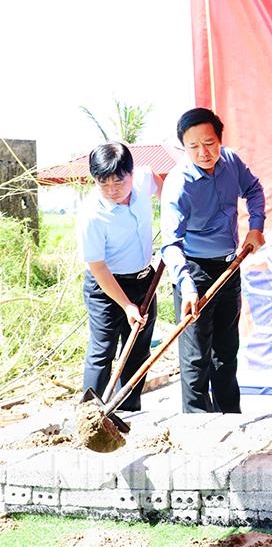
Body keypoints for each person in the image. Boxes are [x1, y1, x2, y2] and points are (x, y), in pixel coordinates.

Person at [162, 108, 266, 413]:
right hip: (193, 271)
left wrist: (256, 227)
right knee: (196, 357)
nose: (202, 153)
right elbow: (170, 244)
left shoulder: (231, 162)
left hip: (229, 267)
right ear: (183, 147)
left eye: (208, 143)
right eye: (192, 146)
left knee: (226, 351)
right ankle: (196, 425)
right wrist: (187, 286)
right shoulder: (179, 184)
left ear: (219, 139)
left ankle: (230, 419)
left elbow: (254, 190)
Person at [76, 143, 162, 411]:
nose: (112, 190)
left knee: (137, 348)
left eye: (118, 181)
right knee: (104, 349)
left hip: (144, 280)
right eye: (103, 183)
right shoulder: (92, 214)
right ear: (94, 180)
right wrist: (126, 305)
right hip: (107, 287)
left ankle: (127, 410)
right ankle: (89, 416)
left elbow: (162, 186)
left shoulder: (144, 180)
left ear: (131, 173)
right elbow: (98, 267)